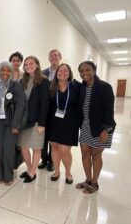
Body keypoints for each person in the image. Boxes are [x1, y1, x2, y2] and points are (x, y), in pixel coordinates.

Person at [76, 61, 115, 194]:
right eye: (81, 71)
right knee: (85, 153)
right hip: (86, 125)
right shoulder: (82, 87)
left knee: (96, 155)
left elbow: (109, 111)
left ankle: (95, 182)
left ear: (94, 70)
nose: (84, 73)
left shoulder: (105, 87)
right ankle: (87, 179)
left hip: (102, 127)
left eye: (87, 70)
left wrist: (106, 130)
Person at [46, 64, 80, 184]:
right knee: (54, 147)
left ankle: (68, 172)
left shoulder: (76, 87)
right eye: (60, 70)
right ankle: (56, 171)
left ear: (69, 73)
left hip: (70, 123)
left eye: (65, 70)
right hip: (53, 123)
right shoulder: (51, 86)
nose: (62, 72)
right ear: (56, 73)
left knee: (65, 150)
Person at [0, 61, 25, 186]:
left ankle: (9, 177)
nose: (5, 73)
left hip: (12, 123)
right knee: (0, 149)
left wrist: (16, 125)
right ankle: (1, 176)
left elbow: (21, 105)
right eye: (2, 70)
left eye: (8, 71)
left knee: (8, 150)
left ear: (11, 72)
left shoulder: (16, 86)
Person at [18, 56, 49, 183]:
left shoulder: (43, 81)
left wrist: (42, 123)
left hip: (37, 121)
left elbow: (45, 103)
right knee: (24, 147)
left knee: (36, 148)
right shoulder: (23, 81)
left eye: (31, 64)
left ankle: (31, 173)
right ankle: (31, 169)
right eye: (26, 65)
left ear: (37, 65)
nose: (28, 66)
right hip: (25, 120)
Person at [39, 49, 62, 171]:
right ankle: (44, 159)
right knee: (43, 136)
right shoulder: (43, 73)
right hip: (44, 109)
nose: (53, 57)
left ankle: (52, 160)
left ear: (60, 57)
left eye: (56, 55)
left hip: (57, 109)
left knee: (53, 136)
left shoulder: (63, 72)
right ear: (49, 58)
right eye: (51, 55)